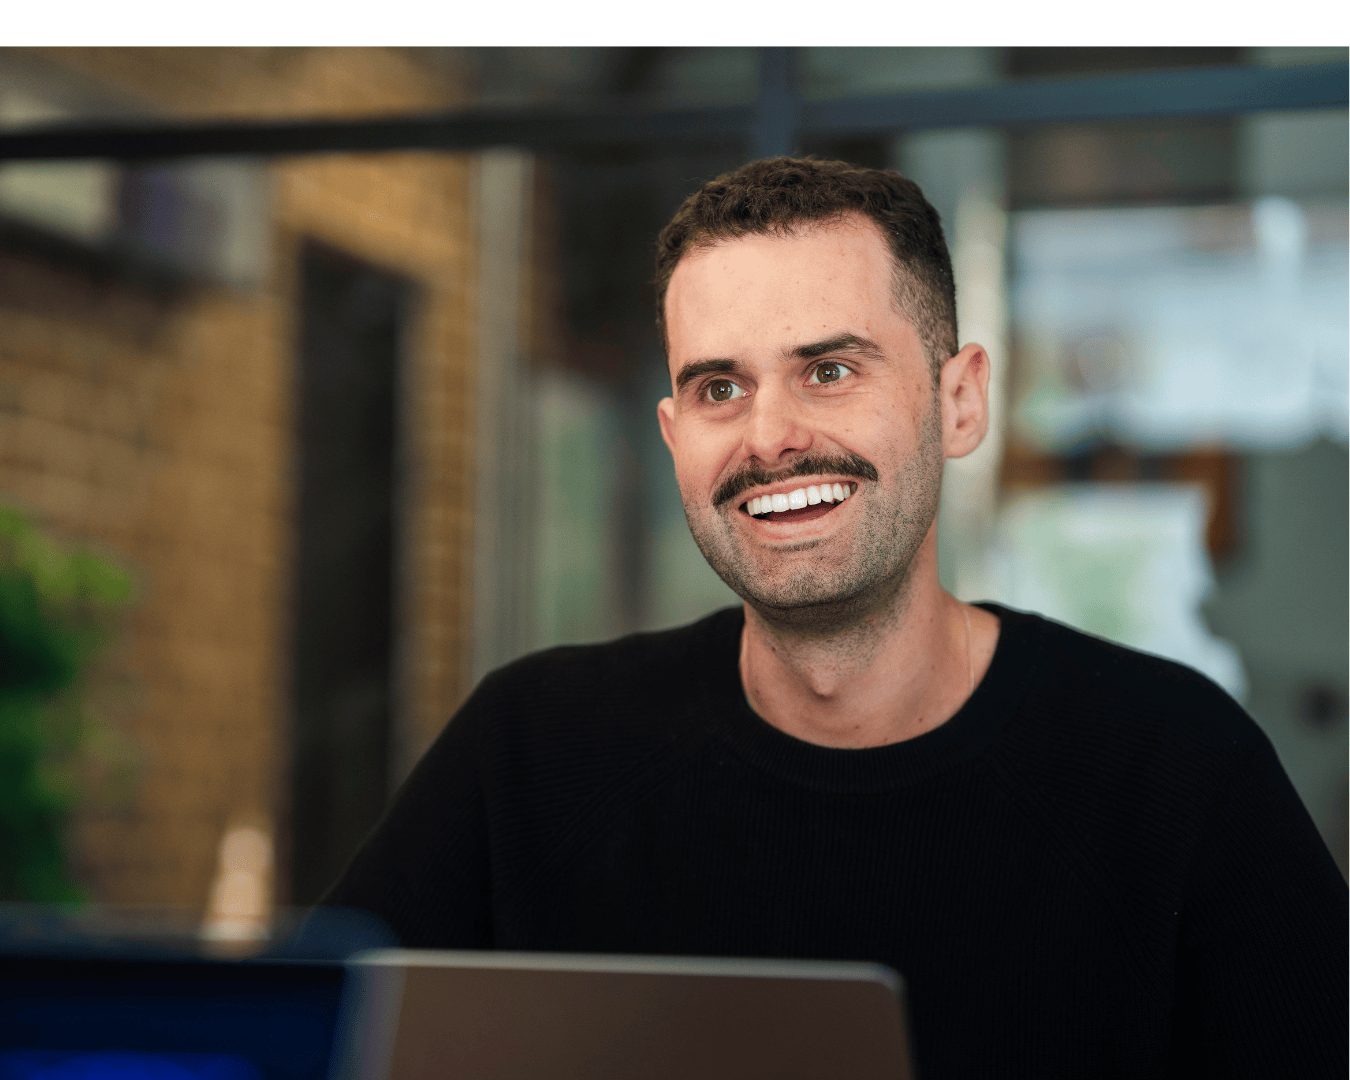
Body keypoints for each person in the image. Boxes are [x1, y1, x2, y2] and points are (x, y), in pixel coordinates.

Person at [324, 158, 1346, 1077]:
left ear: (959, 401)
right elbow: (292, 1045)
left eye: (829, 370)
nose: (771, 438)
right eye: (720, 387)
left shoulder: (1174, 767)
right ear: (675, 436)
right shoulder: (534, 750)